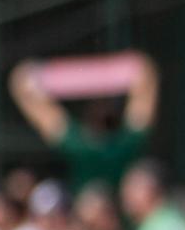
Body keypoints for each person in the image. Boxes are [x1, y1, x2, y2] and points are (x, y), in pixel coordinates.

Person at [8, 55, 157, 195]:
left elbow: (22, 84)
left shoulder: (78, 145)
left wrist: (45, 75)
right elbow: (145, 74)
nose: (101, 107)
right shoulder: (127, 143)